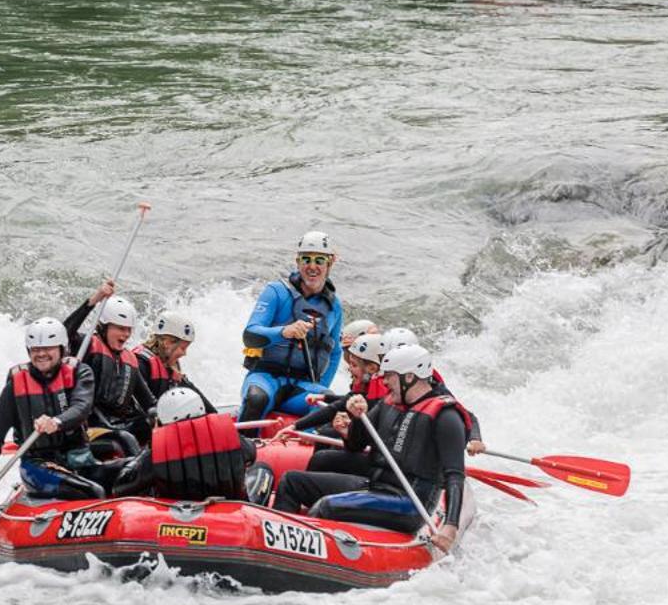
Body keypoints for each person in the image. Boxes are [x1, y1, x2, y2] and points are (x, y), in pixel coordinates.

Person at [271, 344, 470, 552]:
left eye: (389, 376)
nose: (383, 381)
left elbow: (455, 476)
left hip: (408, 503)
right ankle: (274, 548)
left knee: (326, 506)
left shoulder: (446, 416)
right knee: (291, 481)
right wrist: (354, 422)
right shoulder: (388, 404)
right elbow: (356, 445)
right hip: (374, 485)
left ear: (409, 377)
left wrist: (451, 526)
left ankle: (303, 557)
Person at [0, 318, 103, 513]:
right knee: (94, 491)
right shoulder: (16, 384)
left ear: (62, 349)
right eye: (35, 349)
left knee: (124, 476)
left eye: (48, 348)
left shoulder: (80, 372)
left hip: (78, 458)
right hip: (37, 467)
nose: (41, 354)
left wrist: (56, 421)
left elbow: (82, 408)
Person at [239, 230, 345, 421]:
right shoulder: (276, 292)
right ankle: (245, 447)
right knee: (256, 399)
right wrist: (284, 332)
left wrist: (320, 387)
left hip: (302, 386)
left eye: (319, 261)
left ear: (330, 263)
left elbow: (335, 353)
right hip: (265, 378)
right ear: (298, 262)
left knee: (327, 404)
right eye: (306, 260)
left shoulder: (334, 307)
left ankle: (309, 448)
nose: (312, 267)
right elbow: (250, 335)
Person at [106, 387, 260, 502]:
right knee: (262, 470)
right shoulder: (228, 436)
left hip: (174, 519)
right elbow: (251, 454)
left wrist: (149, 447)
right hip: (231, 513)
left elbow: (121, 486)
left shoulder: (160, 450)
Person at [80, 295, 158, 452]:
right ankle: (137, 473)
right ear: (103, 326)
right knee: (125, 439)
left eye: (129, 329)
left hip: (118, 425)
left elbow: (149, 402)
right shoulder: (85, 347)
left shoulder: (129, 360)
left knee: (152, 424)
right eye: (121, 328)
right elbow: (66, 331)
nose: (127, 334)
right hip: (89, 428)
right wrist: (93, 301)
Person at [132, 307, 195, 397]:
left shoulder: (171, 364)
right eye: (183, 348)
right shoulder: (141, 364)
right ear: (167, 343)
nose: (184, 353)